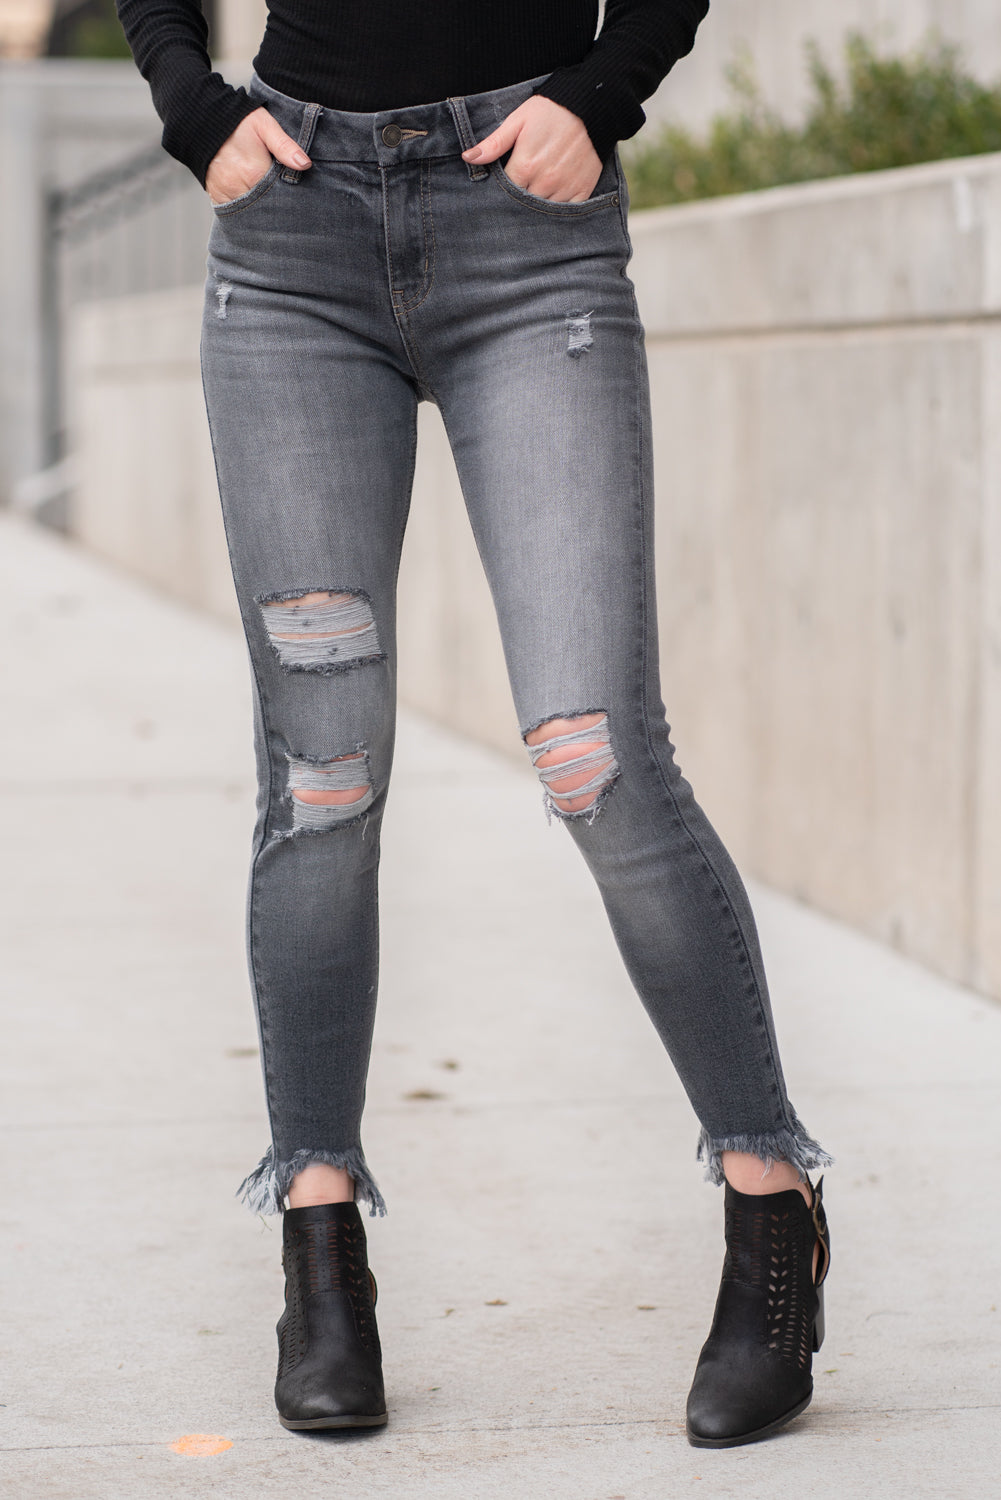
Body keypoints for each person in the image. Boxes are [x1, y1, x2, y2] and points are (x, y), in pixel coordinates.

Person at [117, 0, 833, 1448]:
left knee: (597, 755)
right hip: (293, 241)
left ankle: (773, 1203)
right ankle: (320, 1245)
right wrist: (189, 102)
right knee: (323, 779)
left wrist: (605, 90)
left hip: (527, 226)